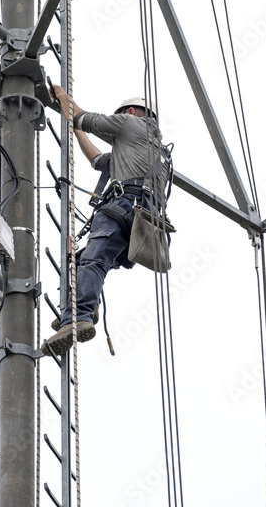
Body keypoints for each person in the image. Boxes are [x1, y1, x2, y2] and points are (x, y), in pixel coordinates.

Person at [42, 84, 172, 357]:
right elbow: (97, 160)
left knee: (93, 260)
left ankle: (79, 318)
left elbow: (84, 117)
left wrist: (64, 100)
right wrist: (74, 126)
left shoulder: (131, 124)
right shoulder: (152, 150)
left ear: (131, 112)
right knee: (82, 261)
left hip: (124, 207)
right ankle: (80, 308)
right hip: (142, 224)